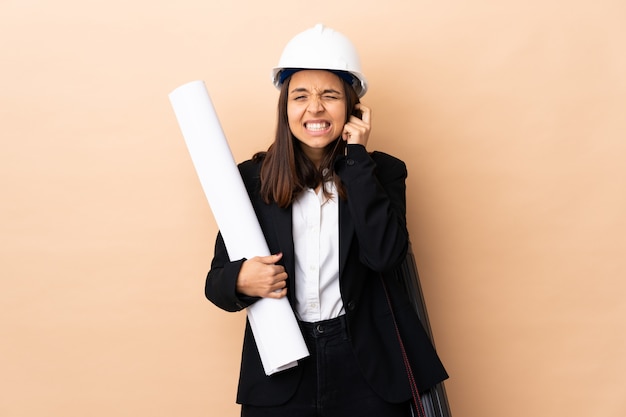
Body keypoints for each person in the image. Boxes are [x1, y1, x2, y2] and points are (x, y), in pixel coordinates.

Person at [205, 24, 448, 417]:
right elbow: (215, 282)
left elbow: (385, 256)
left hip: (367, 364)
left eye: (330, 95)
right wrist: (241, 279)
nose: (314, 108)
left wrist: (356, 158)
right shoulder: (251, 180)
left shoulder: (381, 172)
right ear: (285, 107)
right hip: (283, 367)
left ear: (352, 107)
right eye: (300, 96)